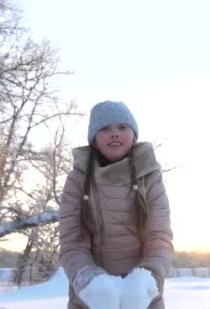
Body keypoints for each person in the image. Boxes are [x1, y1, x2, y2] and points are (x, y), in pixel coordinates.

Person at [59, 100, 174, 309]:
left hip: (143, 300)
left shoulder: (150, 176)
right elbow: (72, 243)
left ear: (134, 135)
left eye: (122, 127)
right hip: (89, 301)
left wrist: (147, 281)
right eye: (105, 128)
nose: (114, 133)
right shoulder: (78, 179)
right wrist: (90, 283)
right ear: (93, 139)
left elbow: (160, 237)